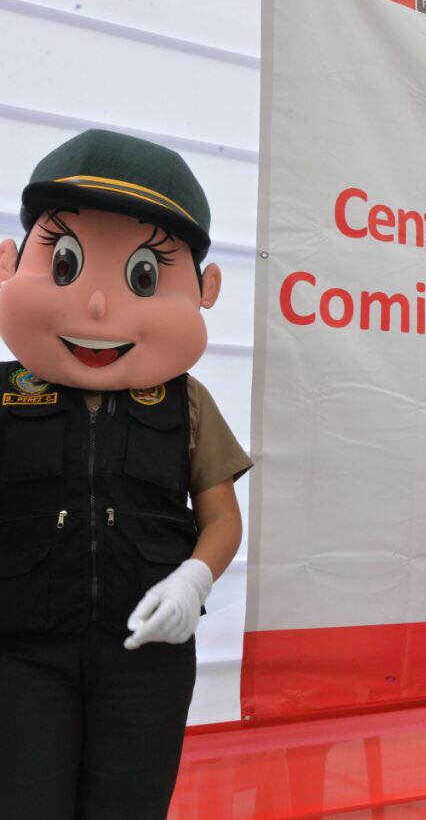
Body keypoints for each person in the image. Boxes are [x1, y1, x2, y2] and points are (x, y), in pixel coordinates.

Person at [0, 129, 252, 817]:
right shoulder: (3, 394)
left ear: (204, 290)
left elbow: (222, 516)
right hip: (19, 658)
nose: (100, 307)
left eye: (144, 275)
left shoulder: (186, 401)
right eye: (66, 264)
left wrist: (192, 580)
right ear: (8, 264)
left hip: (145, 657)